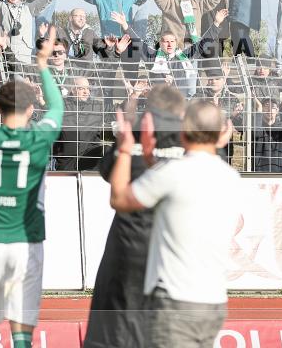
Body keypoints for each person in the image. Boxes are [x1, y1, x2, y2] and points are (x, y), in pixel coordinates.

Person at [0, 18, 63, 348]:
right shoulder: (40, 137)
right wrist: (43, 63)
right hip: (27, 244)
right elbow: (58, 106)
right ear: (31, 110)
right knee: (21, 335)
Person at [107, 101, 239, 348]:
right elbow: (182, 186)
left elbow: (119, 199)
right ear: (223, 132)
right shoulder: (231, 177)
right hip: (213, 301)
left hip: (175, 300)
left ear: (183, 130)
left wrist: (124, 149)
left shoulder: (173, 172)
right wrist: (150, 158)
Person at [84, 84, 187, 348]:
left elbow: (107, 171)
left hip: (127, 249)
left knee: (110, 330)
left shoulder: (134, 137)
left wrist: (123, 145)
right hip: (171, 252)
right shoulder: (190, 145)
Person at [54, 76, 105, 171]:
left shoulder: (97, 106)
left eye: (88, 89)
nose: (86, 92)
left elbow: (115, 112)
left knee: (107, 150)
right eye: (81, 89)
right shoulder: (61, 105)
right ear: (73, 90)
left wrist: (133, 96)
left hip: (88, 158)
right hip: (66, 161)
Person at [252, 98, 282, 172]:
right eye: (266, 106)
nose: (269, 110)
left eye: (273, 107)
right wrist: (259, 108)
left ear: (277, 110)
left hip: (280, 173)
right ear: (262, 109)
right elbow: (256, 134)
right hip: (259, 173)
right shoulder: (258, 125)